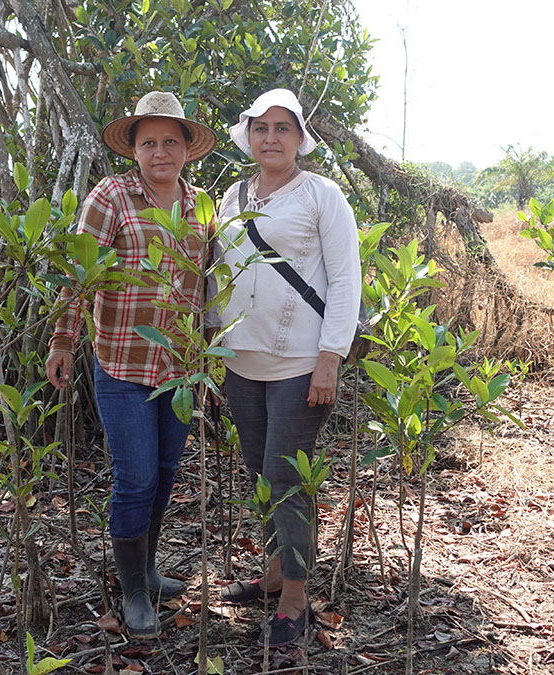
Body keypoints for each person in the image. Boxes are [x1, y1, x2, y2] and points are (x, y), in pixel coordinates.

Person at [46, 91, 216, 640]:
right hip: (122, 364)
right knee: (136, 477)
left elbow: (210, 287)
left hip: (181, 370)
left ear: (188, 148)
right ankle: (133, 590)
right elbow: (80, 272)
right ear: (134, 151)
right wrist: (62, 340)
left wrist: (212, 357)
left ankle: (147, 567)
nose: (160, 151)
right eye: (149, 142)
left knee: (165, 475)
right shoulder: (111, 196)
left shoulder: (201, 206)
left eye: (171, 141)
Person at [211, 88, 361, 647]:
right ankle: (274, 572)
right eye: (261, 128)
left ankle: (296, 593)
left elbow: (346, 280)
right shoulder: (230, 196)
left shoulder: (323, 196)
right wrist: (206, 349)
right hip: (239, 361)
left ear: (300, 138)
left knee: (286, 477)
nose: (271, 137)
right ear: (248, 136)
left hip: (301, 362)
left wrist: (331, 357)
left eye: (283, 128)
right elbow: (216, 273)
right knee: (261, 473)